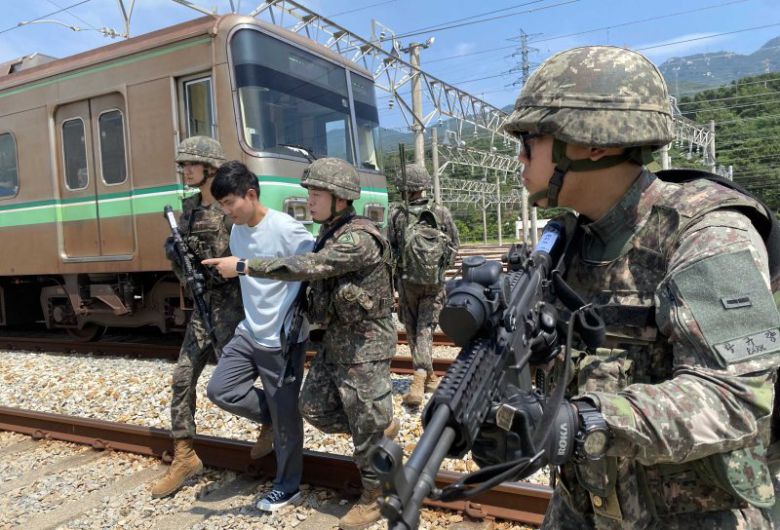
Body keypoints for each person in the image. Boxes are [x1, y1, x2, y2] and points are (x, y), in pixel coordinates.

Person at [471, 46, 780, 529]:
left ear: (592, 143)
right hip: (584, 503)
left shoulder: (708, 231)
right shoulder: (569, 241)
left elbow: (738, 398)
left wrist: (584, 422)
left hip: (692, 515)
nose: (520, 158)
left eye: (530, 142)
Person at [210, 157, 397, 530]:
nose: (309, 201)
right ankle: (376, 429)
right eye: (308, 193)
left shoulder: (359, 237)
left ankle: (376, 497)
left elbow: (309, 266)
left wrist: (245, 266)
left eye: (316, 194)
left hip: (365, 345)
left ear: (340, 198)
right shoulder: (330, 230)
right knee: (311, 408)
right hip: (337, 343)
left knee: (364, 422)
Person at [201, 161, 314, 511]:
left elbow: (314, 266)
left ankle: (288, 486)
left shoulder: (286, 228)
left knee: (286, 421)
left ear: (250, 195)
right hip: (250, 331)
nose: (226, 210)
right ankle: (276, 417)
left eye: (229, 202)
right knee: (220, 389)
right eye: (221, 205)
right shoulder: (238, 230)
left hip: (281, 337)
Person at [151, 136, 244, 499]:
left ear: (211, 168)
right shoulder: (187, 210)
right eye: (183, 165)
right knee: (182, 377)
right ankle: (185, 454)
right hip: (203, 309)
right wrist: (176, 255)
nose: (185, 170)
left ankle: (276, 427)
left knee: (249, 377)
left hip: (234, 307)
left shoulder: (231, 209)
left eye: (191, 164)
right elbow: (183, 266)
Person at [388, 164, 459, 406]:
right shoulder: (441, 212)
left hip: (407, 282)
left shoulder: (396, 214)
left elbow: (390, 250)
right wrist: (438, 270)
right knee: (426, 327)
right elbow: (453, 246)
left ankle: (418, 378)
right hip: (434, 283)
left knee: (412, 330)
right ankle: (429, 378)